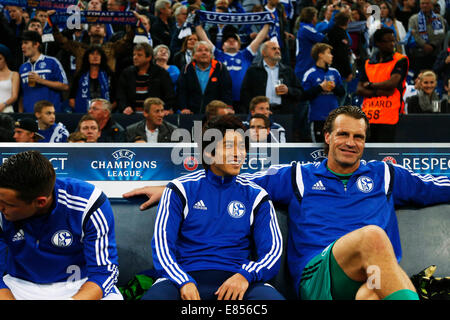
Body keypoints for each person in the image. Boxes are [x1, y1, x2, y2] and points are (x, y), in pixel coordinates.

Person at [124, 105, 450, 300]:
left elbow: (438, 188)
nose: (351, 143)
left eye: (359, 137)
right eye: (343, 134)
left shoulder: (386, 174)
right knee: (374, 236)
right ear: (327, 136)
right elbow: (229, 180)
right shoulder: (297, 176)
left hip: (368, 277)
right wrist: (170, 186)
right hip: (317, 276)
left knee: (370, 294)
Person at [136, 115, 284, 300]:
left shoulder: (257, 196)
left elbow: (272, 252)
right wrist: (182, 280)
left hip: (237, 280)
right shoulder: (179, 189)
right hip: (183, 278)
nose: (239, 154)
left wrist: (245, 276)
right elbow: (162, 246)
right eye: (229, 146)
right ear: (208, 153)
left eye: (242, 147)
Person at [0, 150, 122, 300]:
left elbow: (104, 272)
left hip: (78, 284)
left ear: (40, 202)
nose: (1, 207)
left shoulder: (88, 202)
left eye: (7, 204)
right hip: (18, 286)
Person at [195, 23, 270, 113]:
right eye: (227, 40)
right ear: (222, 46)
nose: (231, 41)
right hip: (222, 100)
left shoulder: (246, 54)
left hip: (244, 100)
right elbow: (204, 38)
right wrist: (197, 24)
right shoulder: (218, 55)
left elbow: (259, 39)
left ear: (239, 45)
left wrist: (267, 23)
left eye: (234, 40)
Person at [356, 28, 409, 142]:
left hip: (390, 115)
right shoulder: (368, 63)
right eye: (388, 41)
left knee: (386, 154)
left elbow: (392, 84)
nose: (392, 44)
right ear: (378, 44)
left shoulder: (400, 60)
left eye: (393, 40)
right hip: (369, 116)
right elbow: (359, 89)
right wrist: (379, 91)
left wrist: (370, 85)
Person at [302, 43, 345, 143]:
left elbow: (342, 92)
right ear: (320, 55)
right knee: (318, 149)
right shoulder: (310, 73)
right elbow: (304, 95)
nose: (332, 56)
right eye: (329, 53)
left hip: (334, 119)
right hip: (317, 118)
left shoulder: (334, 72)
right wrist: (320, 87)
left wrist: (334, 88)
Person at [116, 43, 176, 114]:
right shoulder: (127, 73)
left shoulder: (161, 73)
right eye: (134, 55)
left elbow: (170, 95)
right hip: (131, 116)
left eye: (139, 55)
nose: (135, 57)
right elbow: (120, 94)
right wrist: (124, 107)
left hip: (155, 115)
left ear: (149, 57)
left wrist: (165, 108)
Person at [19, 31, 69, 113]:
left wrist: (41, 80)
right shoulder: (22, 67)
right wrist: (20, 114)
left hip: (51, 115)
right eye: (22, 44)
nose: (22, 46)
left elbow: (65, 86)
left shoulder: (52, 62)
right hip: (29, 115)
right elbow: (21, 95)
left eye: (26, 43)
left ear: (36, 44)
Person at [177, 41, 233, 114]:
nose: (204, 53)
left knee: (213, 125)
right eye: (200, 50)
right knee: (197, 126)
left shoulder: (220, 68)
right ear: (193, 55)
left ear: (211, 54)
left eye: (207, 50)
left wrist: (228, 107)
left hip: (216, 113)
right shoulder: (187, 69)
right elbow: (182, 90)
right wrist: (183, 108)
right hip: (193, 113)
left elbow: (226, 90)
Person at [69, 46, 115, 113]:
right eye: (92, 54)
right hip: (82, 114)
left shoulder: (109, 75)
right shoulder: (79, 75)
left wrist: (105, 111)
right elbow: (71, 99)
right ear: (87, 57)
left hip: (104, 114)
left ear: (102, 57)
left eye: (98, 54)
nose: (95, 56)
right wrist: (80, 110)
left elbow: (115, 100)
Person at [408, 0, 446, 74]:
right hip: (419, 53)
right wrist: (424, 45)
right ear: (420, 5)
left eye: (427, 3)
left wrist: (432, 45)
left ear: (432, 5)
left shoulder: (439, 18)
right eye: (423, 3)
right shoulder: (413, 19)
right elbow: (413, 34)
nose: (425, 5)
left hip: (435, 53)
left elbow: (442, 34)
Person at [294, 6, 326, 82]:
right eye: (316, 16)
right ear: (312, 17)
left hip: (304, 64)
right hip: (305, 66)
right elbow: (324, 39)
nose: (317, 19)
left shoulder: (304, 27)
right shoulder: (306, 28)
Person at [0, 45, 19, 113]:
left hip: (7, 109)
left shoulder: (14, 74)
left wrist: (3, 105)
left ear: (5, 59)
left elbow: (15, 96)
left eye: (0, 59)